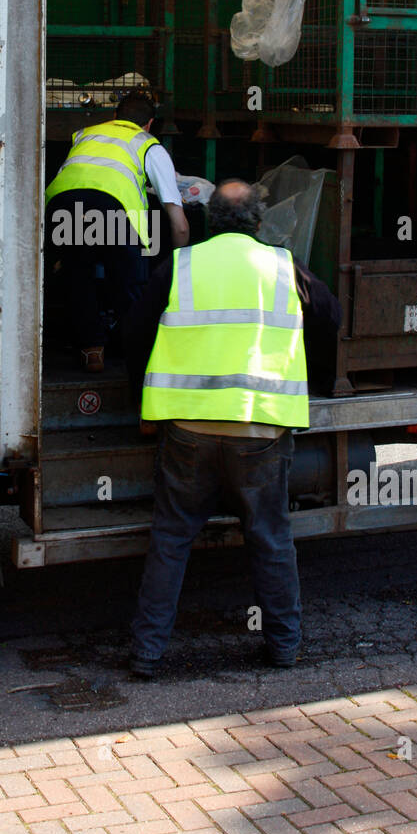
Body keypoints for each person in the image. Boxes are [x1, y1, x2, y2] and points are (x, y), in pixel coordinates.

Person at [123, 178, 341, 677]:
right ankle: (284, 647)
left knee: (172, 538)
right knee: (270, 537)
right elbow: (331, 315)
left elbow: (133, 331)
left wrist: (145, 404)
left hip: (186, 430)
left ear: (208, 220)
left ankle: (148, 653)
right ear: (258, 223)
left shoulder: (178, 267)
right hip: (261, 431)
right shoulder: (285, 267)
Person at [45, 89, 189, 373]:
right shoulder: (148, 144)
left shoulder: (84, 134)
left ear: (114, 116)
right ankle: (140, 356)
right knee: (130, 283)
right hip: (112, 209)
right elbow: (179, 222)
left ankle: (92, 351)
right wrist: (179, 264)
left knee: (77, 275)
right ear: (149, 124)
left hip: (62, 207)